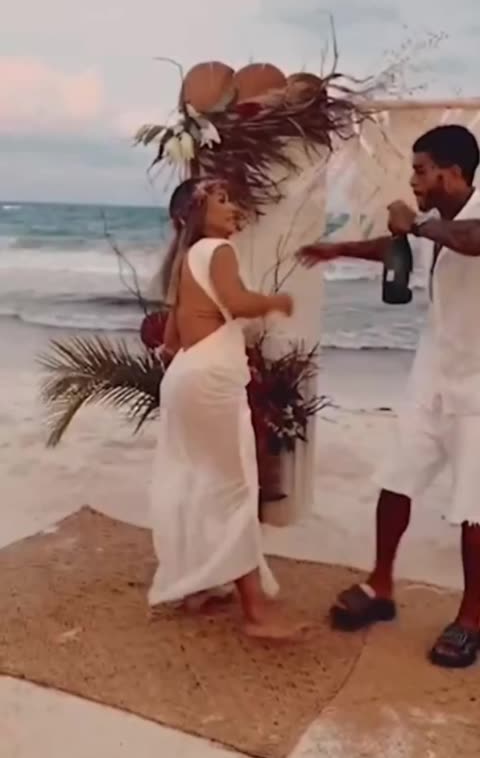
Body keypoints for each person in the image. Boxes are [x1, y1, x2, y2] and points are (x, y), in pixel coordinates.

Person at [297, 124, 480, 668]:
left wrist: (418, 224)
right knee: (397, 478)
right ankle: (380, 587)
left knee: (474, 509)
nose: (413, 180)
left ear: (451, 172)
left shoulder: (459, 222)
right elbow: (396, 248)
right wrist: (337, 249)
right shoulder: (435, 224)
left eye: (421, 170)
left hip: (478, 384)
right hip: (432, 370)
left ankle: (472, 618)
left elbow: (472, 240)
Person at [149, 176, 307, 639]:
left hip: (184, 377)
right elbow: (237, 302)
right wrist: (276, 301)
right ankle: (255, 615)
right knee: (234, 488)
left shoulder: (185, 260)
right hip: (211, 381)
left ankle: (199, 584)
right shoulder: (218, 250)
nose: (233, 206)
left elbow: (171, 340)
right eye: (222, 199)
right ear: (197, 213)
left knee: (201, 482)